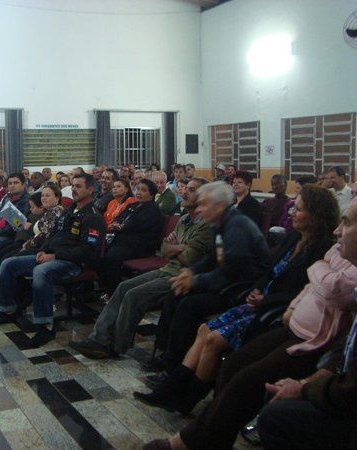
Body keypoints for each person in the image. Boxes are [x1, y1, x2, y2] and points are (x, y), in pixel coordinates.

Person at [142, 202, 356, 450]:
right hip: (270, 307)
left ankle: (190, 411)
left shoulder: (316, 246)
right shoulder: (293, 239)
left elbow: (326, 288)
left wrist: (276, 295)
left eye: (299, 209)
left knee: (214, 341)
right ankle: (179, 393)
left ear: (316, 214)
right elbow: (277, 274)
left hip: (275, 313)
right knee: (212, 340)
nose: (291, 213)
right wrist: (262, 291)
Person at [69, 178, 211, 359]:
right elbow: (164, 250)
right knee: (123, 287)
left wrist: (174, 248)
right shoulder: (183, 220)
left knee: (133, 294)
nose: (184, 192)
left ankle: (115, 346)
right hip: (167, 268)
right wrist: (178, 248)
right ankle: (98, 338)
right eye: (186, 189)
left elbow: (189, 258)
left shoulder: (205, 225)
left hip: (181, 276)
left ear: (204, 196)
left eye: (191, 190)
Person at [145, 181, 270, 373]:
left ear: (219, 206)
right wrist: (191, 272)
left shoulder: (238, 227)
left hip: (241, 290)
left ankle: (175, 364)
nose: (199, 209)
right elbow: (212, 259)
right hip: (226, 281)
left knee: (189, 305)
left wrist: (195, 281)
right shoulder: (220, 224)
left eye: (203, 204)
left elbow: (231, 271)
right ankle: (166, 352)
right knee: (175, 292)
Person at [258, 206, 357, 449]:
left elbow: (332, 288)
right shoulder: (297, 239)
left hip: (316, 344)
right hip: (299, 329)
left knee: (275, 415)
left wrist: (305, 388)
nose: (337, 231)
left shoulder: (325, 251)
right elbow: (310, 287)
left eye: (346, 223)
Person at [0, 173, 106, 347]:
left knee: (41, 271)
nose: (73, 189)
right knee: (8, 264)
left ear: (91, 189)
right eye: (73, 186)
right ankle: (7, 311)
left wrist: (54, 256)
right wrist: (43, 250)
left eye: (78, 186)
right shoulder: (70, 210)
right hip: (53, 255)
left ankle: (45, 327)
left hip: (73, 263)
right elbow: (53, 235)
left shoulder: (93, 217)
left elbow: (88, 251)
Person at [98, 179, 164, 299]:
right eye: (138, 189)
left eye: (143, 190)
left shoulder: (153, 210)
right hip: (124, 241)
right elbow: (119, 217)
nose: (139, 192)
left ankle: (113, 294)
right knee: (99, 250)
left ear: (151, 194)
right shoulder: (133, 205)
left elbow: (135, 226)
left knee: (111, 257)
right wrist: (116, 223)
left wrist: (120, 227)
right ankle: (102, 286)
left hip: (140, 245)